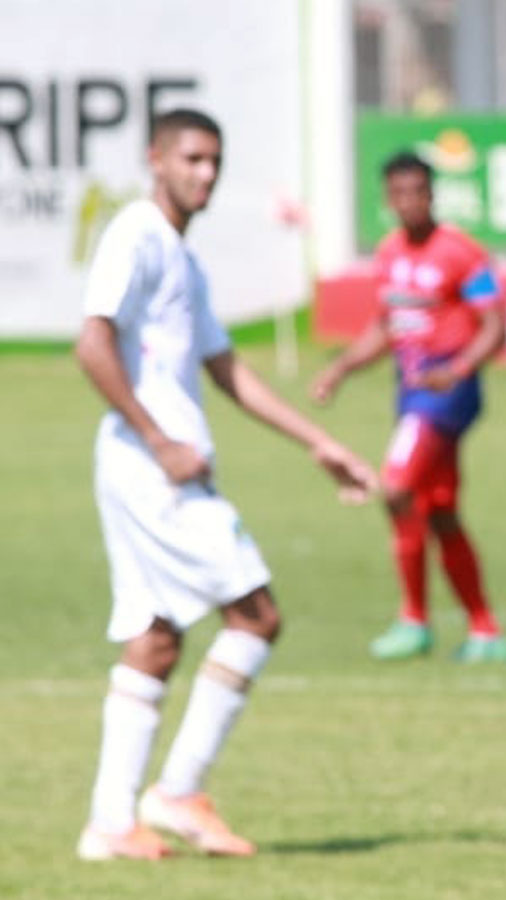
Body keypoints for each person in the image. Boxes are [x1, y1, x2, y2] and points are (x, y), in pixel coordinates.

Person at [75, 109, 378, 861]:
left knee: (156, 639)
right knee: (256, 615)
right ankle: (176, 792)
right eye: (192, 159)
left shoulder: (184, 257)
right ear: (156, 159)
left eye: (215, 161)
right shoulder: (136, 233)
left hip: (143, 465)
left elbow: (226, 368)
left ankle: (111, 825)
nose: (205, 174)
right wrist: (160, 439)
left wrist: (320, 444)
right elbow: (92, 342)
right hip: (152, 469)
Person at [311, 151, 506, 663]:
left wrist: (459, 368)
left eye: (417, 192)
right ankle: (484, 630)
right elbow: (385, 327)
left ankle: (413, 619)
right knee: (440, 510)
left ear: (431, 195)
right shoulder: (389, 255)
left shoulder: (460, 253)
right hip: (412, 391)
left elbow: (495, 326)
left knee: (397, 486)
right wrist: (340, 369)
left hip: (447, 391)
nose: (409, 202)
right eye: (399, 194)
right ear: (388, 199)